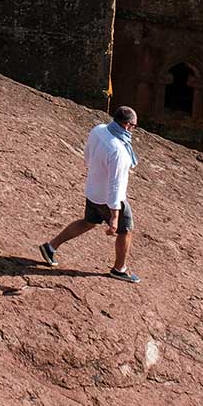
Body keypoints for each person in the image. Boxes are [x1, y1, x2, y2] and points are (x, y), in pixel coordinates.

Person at [38, 105, 141, 282]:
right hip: (108, 199)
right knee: (126, 230)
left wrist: (93, 171)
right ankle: (119, 269)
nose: (134, 130)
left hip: (93, 190)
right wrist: (114, 216)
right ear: (126, 125)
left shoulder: (99, 130)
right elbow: (115, 185)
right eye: (134, 126)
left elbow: (87, 154)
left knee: (89, 222)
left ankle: (51, 247)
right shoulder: (119, 152)